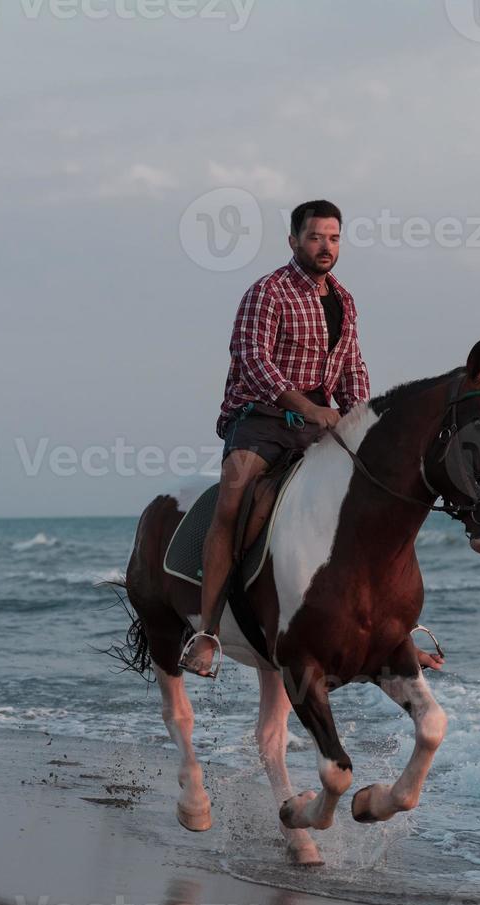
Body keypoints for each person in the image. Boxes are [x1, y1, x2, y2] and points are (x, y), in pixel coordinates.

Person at [179, 199, 371, 676]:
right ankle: (206, 632)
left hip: (319, 424)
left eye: (333, 237)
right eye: (314, 237)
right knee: (234, 496)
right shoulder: (267, 292)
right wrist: (306, 408)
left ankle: (385, 630)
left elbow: (351, 368)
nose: (325, 246)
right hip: (260, 417)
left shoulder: (344, 301)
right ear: (293, 241)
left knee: (371, 496)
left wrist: (363, 421)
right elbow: (252, 360)